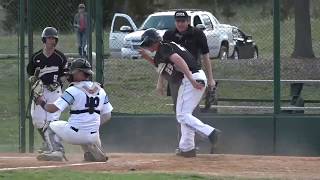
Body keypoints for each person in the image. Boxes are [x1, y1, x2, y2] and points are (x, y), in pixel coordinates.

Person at [139, 29, 221, 157]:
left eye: (149, 43)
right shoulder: (165, 48)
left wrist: (191, 79)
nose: (149, 46)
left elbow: (179, 60)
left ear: (155, 41)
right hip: (193, 77)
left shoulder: (164, 47)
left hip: (192, 78)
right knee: (184, 114)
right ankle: (187, 148)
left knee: (182, 115)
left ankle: (211, 133)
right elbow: (160, 65)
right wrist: (147, 58)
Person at [34, 58, 113, 161]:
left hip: (75, 134)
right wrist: (92, 125)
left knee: (50, 125)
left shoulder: (73, 90)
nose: (69, 74)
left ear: (80, 73)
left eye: (72, 71)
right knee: (86, 133)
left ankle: (57, 151)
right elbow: (107, 116)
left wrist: (41, 101)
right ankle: (90, 153)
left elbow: (52, 109)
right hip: (94, 136)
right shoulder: (100, 90)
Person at [27, 27, 68, 153]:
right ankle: (47, 142)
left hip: (55, 92)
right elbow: (30, 75)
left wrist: (58, 83)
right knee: (37, 120)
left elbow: (64, 75)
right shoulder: (36, 57)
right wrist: (34, 82)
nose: (52, 41)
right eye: (49, 38)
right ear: (44, 40)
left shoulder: (60, 57)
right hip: (40, 91)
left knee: (52, 120)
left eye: (54, 38)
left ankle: (56, 146)